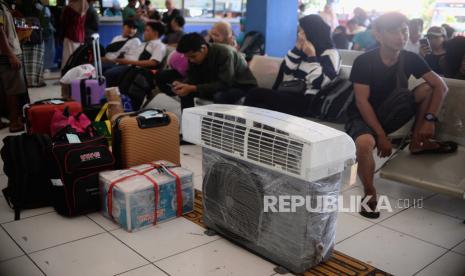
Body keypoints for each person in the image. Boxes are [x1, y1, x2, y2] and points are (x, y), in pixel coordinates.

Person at [345, 12, 452, 219]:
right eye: (393, 31)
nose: (400, 36)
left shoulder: (411, 58)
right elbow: (361, 102)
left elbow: (441, 86)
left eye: (403, 31)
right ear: (378, 34)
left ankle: (416, 140)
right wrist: (381, 136)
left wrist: (429, 120)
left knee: (429, 88)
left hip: (393, 110)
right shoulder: (365, 61)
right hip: (362, 115)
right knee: (365, 144)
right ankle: (369, 192)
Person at [244, 14, 340, 117]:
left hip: (310, 100)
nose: (300, 34)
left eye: (303, 31)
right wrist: (296, 49)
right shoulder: (303, 49)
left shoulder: (330, 54)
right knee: (260, 105)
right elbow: (286, 73)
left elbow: (320, 83)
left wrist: (312, 56)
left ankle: (241, 130)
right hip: (292, 93)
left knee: (255, 94)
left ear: (313, 32)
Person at [167, 33, 257, 110]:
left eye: (193, 57)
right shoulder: (194, 56)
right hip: (215, 83)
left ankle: (218, 127)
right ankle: (188, 123)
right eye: (188, 57)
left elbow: (225, 84)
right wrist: (182, 84)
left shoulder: (225, 53)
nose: (191, 60)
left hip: (241, 86)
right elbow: (192, 77)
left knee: (219, 96)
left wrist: (192, 87)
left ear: (203, 48)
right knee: (186, 93)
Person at [103, 21, 166, 87]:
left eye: (147, 30)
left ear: (155, 33)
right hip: (127, 65)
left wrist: (128, 62)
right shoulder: (145, 43)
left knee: (109, 73)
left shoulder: (159, 45)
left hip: (137, 70)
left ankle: (107, 93)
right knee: (103, 68)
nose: (144, 33)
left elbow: (153, 62)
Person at [0, 0, 28, 132]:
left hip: (6, 51)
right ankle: (14, 122)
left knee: (5, 89)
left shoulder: (3, 4)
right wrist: (11, 55)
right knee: (13, 89)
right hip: (6, 54)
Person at [61, 0, 88, 69]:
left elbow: (64, 23)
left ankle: (67, 76)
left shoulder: (69, 8)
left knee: (68, 58)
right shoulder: (85, 4)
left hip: (70, 35)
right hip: (81, 35)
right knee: (78, 58)